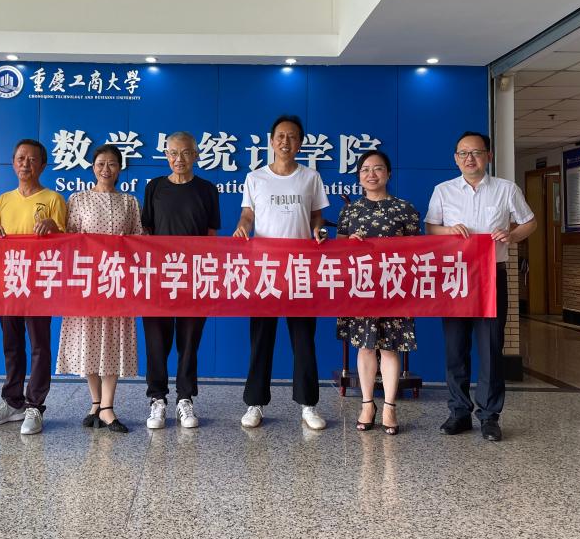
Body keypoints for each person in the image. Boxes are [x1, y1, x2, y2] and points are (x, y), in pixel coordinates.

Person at [425, 131, 536, 442]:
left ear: (488, 156)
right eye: (463, 153)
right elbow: (431, 228)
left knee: (490, 348)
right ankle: (459, 412)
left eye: (475, 152)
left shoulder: (506, 189)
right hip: (455, 277)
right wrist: (448, 230)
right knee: (455, 348)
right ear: (455, 158)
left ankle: (489, 416)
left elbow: (529, 222)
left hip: (491, 276)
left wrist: (512, 235)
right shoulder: (443, 191)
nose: (469, 158)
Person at [233, 115, 329, 431]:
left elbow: (317, 216)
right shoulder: (255, 177)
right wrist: (242, 227)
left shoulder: (310, 177)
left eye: (292, 136)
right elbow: (248, 214)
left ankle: (308, 404)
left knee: (303, 339)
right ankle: (255, 403)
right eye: (280, 136)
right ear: (271, 141)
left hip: (301, 270)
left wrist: (318, 230)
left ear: (300, 143)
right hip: (265, 270)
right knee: (261, 339)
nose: (285, 142)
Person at [0, 139, 66, 435]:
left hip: (40, 282)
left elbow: (66, 243)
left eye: (32, 159)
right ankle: (12, 401)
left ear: (43, 165)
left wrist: (54, 228)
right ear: (13, 163)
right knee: (12, 344)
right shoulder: (3, 200)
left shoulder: (53, 199)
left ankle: (35, 405)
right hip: (10, 280)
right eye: (20, 159)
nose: (25, 164)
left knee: (39, 345)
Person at [56, 144, 143, 433]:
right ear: (93, 167)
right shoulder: (78, 199)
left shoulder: (130, 202)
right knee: (89, 340)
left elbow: (139, 239)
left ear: (120, 168)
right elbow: (69, 239)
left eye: (112, 164)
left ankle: (108, 407)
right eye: (101, 164)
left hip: (116, 281)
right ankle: (95, 403)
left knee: (112, 340)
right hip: (86, 281)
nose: (106, 169)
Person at [141, 131, 221, 430]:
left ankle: (185, 398)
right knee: (156, 341)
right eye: (173, 153)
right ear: (166, 155)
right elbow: (146, 232)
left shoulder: (207, 189)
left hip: (194, 277)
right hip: (158, 278)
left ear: (196, 155)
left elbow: (211, 236)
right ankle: (157, 399)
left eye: (186, 152)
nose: (179, 159)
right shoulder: (154, 187)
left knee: (189, 342)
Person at [336, 150, 420, 435]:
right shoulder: (350, 211)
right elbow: (339, 249)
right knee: (365, 346)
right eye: (365, 170)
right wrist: (350, 242)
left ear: (388, 174)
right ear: (359, 177)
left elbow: (418, 249)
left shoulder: (405, 209)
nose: (371, 174)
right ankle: (367, 404)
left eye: (378, 168)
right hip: (361, 287)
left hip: (394, 287)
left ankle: (390, 407)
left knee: (390, 347)